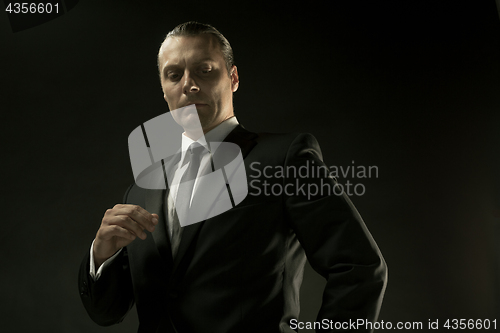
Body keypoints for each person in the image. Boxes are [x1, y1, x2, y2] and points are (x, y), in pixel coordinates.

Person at [78, 21, 387, 333]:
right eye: (174, 75)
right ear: (163, 86)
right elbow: (106, 313)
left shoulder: (285, 157)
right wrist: (102, 253)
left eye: (204, 70)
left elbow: (359, 268)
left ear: (233, 78)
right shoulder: (142, 189)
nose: (188, 84)